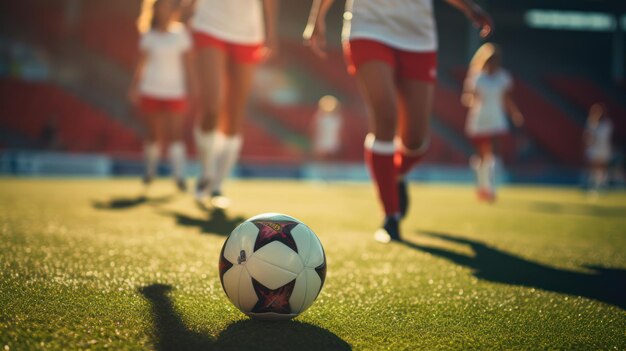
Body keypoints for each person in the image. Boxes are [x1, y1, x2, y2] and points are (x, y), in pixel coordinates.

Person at [304, 0, 493, 243]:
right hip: (368, 27)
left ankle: (395, 174)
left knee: (415, 140)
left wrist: (469, 7)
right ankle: (390, 216)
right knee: (385, 116)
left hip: (417, 37)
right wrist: (316, 17)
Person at [189, 0, 279, 207]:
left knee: (235, 113)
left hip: (248, 31)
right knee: (211, 105)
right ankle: (205, 174)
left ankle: (218, 186)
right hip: (209, 23)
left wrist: (271, 32)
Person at [129, 0, 197, 191]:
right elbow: (141, 65)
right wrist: (134, 87)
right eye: (161, 8)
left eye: (168, 7)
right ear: (155, 11)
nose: (164, 11)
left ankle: (179, 177)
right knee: (153, 135)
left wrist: (192, 86)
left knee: (176, 134)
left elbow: (188, 64)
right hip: (151, 89)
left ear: (173, 11)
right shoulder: (148, 36)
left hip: (175, 91)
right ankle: (149, 173)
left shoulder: (181, 34)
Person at [461, 43, 523, 202]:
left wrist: (515, 113)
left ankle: (491, 188)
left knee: (494, 155)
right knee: (481, 157)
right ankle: (481, 186)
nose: (493, 64)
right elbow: (467, 98)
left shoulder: (503, 77)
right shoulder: (476, 77)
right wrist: (472, 99)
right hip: (479, 119)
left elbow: (506, 99)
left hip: (496, 119)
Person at [584, 103, 613, 194]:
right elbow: (587, 137)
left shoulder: (607, 124)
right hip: (595, 150)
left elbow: (607, 138)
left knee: (602, 168)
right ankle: (594, 186)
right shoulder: (591, 123)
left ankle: (602, 185)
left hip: (603, 150)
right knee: (594, 168)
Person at [312, 95, 343, 161]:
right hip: (321, 144)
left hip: (333, 145)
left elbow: (339, 133)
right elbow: (314, 130)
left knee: (331, 161)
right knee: (321, 161)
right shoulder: (319, 116)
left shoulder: (337, 118)